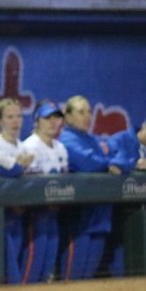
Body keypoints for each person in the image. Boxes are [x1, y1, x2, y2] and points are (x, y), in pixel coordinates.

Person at [58, 95, 120, 280]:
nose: (87, 117)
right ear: (67, 117)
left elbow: (123, 157)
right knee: (72, 280)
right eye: (80, 112)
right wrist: (109, 163)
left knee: (88, 280)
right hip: (78, 220)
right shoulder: (66, 139)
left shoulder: (96, 140)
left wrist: (115, 162)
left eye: (89, 112)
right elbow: (87, 163)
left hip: (100, 217)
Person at [0, 99, 35, 284]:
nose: (16, 121)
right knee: (9, 266)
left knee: (20, 261)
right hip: (0, 214)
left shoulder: (23, 146)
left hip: (20, 213)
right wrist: (17, 165)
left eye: (19, 116)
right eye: (10, 116)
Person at [20, 100, 69, 284]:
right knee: (33, 267)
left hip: (54, 215)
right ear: (37, 120)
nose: (53, 122)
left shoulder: (60, 148)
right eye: (48, 118)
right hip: (35, 214)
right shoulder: (29, 146)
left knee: (48, 270)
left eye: (56, 117)